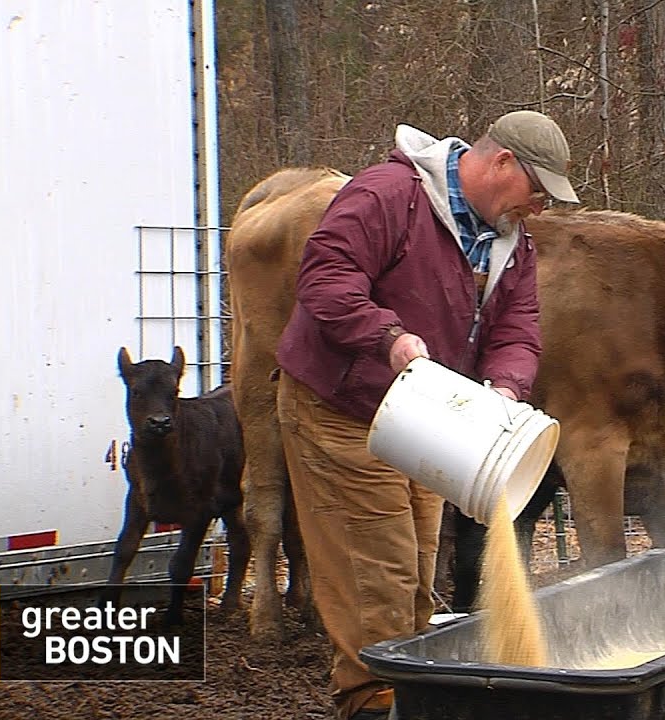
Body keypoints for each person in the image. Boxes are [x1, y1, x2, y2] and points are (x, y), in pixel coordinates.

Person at [273, 110, 579, 720]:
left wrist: (506, 388)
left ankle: (406, 695)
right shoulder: (391, 195)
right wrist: (385, 335)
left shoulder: (510, 246)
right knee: (375, 573)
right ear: (502, 165)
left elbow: (519, 329)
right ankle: (371, 700)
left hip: (429, 418)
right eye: (536, 192)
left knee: (415, 572)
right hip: (343, 408)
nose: (539, 209)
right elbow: (325, 277)